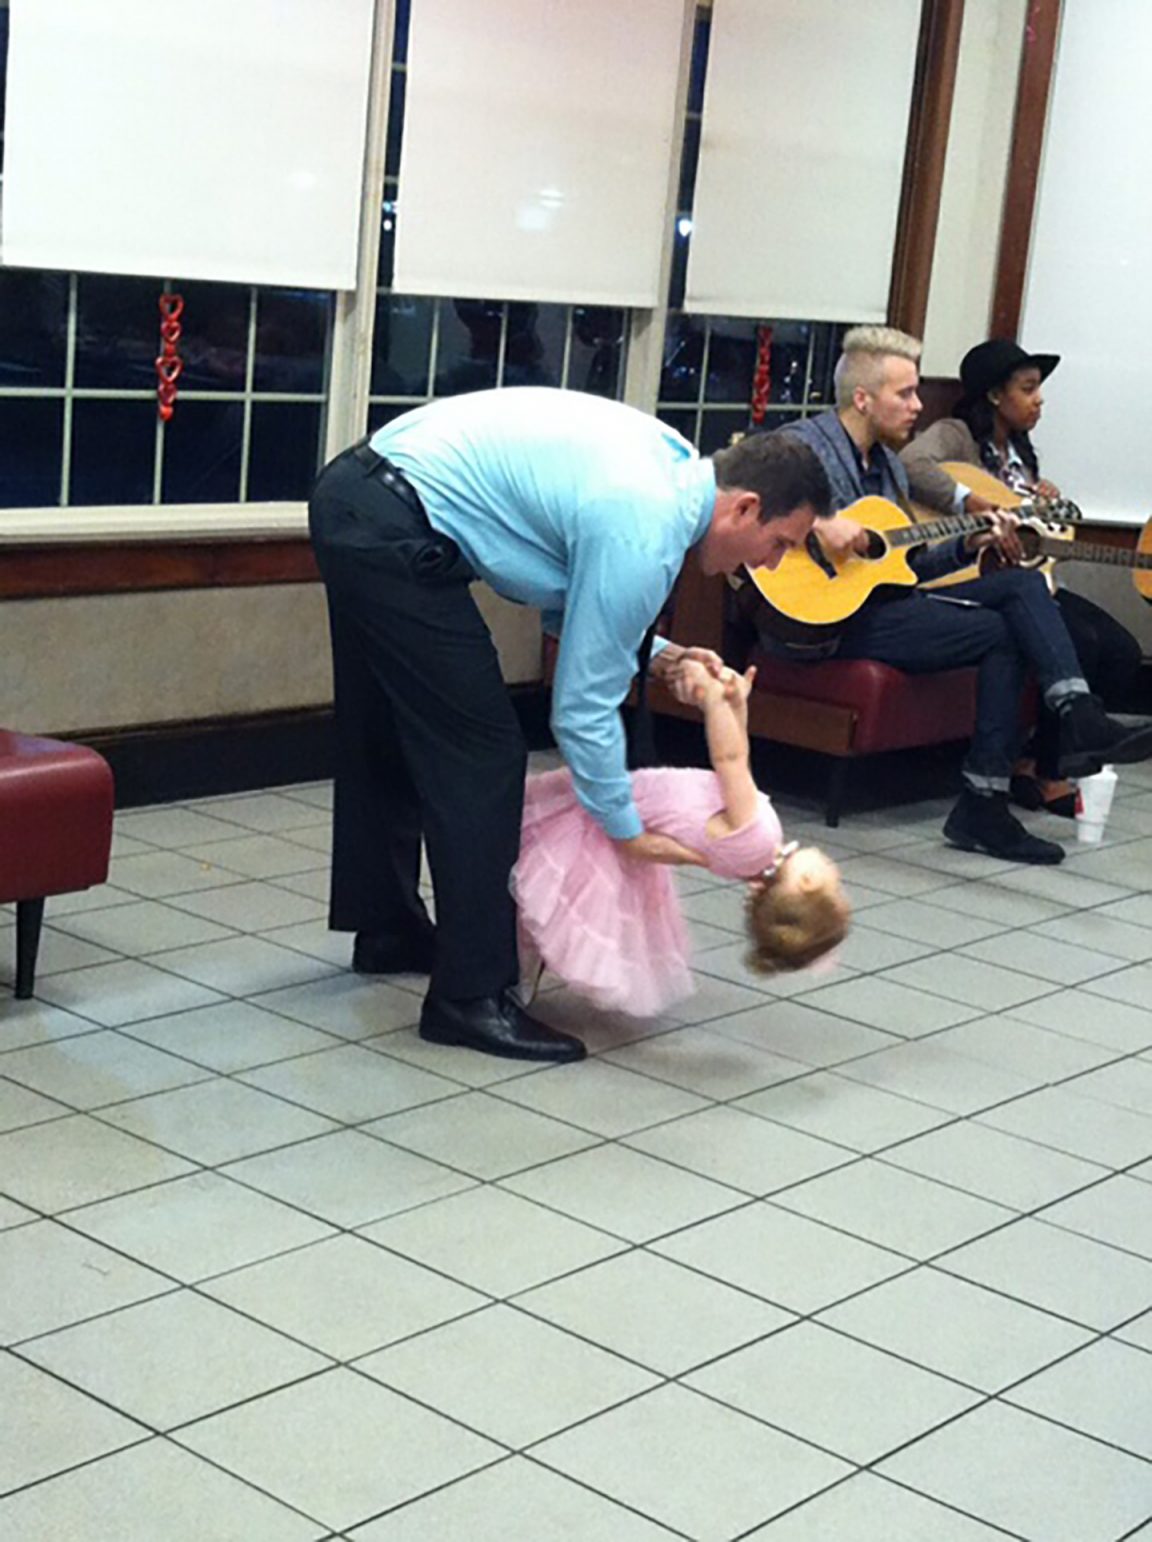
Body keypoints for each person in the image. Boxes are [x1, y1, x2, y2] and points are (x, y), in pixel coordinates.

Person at [308, 388, 833, 1063]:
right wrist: (625, 829)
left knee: (392, 726)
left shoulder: (671, 469)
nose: (770, 563)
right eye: (778, 543)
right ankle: (469, 998)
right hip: (391, 519)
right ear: (744, 507)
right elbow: (581, 710)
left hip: (364, 493)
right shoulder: (646, 526)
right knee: (484, 754)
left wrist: (664, 658)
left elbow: (575, 604)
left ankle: (388, 931)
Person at [744, 326, 1152, 865]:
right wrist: (818, 520)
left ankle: (1064, 714)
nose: (918, 406)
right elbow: (738, 486)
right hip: (822, 623)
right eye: (905, 394)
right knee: (1008, 631)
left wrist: (974, 543)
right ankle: (993, 793)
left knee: (1022, 586)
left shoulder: (887, 466)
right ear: (863, 399)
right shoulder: (803, 445)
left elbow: (908, 563)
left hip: (886, 606)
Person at [513, 660, 849, 1017]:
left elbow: (731, 758)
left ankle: (505, 973)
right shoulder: (752, 861)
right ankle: (514, 966)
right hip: (627, 827)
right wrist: (738, 707)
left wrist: (714, 701)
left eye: (835, 882)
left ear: (808, 881)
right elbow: (738, 775)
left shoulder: (762, 839)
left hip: (614, 813)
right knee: (549, 900)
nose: (834, 870)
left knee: (534, 874)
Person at [901, 338, 1146, 815]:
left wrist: (1042, 508)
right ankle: (1047, 773)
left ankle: (1037, 763)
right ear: (995, 395)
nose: (1039, 400)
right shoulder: (956, 435)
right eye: (1028, 388)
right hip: (963, 574)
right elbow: (911, 463)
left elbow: (1027, 534)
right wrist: (972, 503)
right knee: (1083, 642)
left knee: (1121, 650)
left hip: (1029, 580)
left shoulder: (1021, 452)